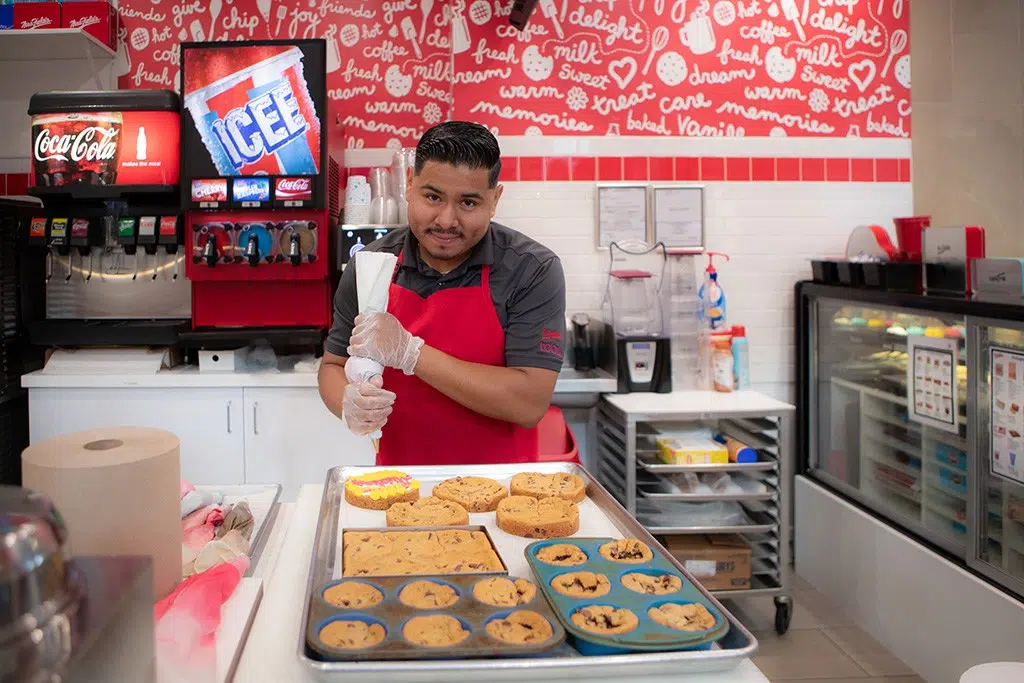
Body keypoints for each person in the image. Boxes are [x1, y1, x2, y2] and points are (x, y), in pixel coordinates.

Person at [318, 121, 567, 465]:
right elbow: (333, 365)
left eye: (468, 202)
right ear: (409, 184)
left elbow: (528, 403)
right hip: (399, 488)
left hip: (499, 498)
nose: (446, 220)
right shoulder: (371, 266)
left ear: (495, 201)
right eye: (433, 197)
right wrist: (346, 402)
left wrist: (411, 354)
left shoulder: (531, 270)